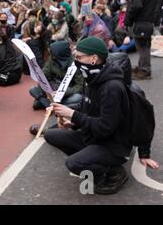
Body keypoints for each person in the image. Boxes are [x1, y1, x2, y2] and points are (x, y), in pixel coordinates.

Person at [44, 37, 131, 195]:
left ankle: (114, 171)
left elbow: (106, 127)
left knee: (73, 163)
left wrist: (73, 114)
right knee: (51, 134)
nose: (75, 61)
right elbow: (87, 113)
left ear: (94, 59)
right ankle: (90, 160)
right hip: (94, 137)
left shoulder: (112, 87)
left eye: (78, 57)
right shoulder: (91, 79)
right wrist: (72, 123)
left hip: (112, 146)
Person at [125, 0, 163, 80]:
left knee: (142, 46)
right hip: (151, 19)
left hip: (142, 19)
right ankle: (142, 66)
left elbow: (137, 4)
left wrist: (128, 19)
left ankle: (145, 70)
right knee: (145, 44)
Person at [29, 40, 83, 110]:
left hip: (68, 91)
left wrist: (62, 93)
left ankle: (46, 103)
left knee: (78, 98)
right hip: (54, 87)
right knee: (33, 89)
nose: (52, 56)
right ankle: (52, 104)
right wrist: (48, 90)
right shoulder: (52, 58)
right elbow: (44, 75)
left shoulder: (76, 64)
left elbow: (80, 86)